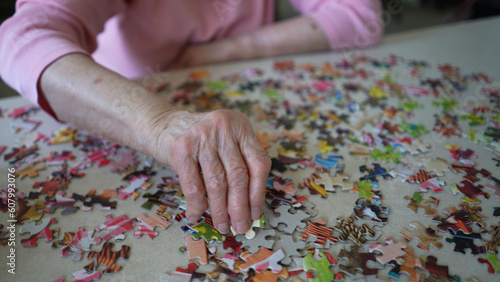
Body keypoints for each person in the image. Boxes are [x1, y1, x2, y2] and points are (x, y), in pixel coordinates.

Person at [0, 0, 383, 235]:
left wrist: (208, 56)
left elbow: (360, 15)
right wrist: (158, 123)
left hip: (251, 88)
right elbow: (21, 40)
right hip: (125, 110)